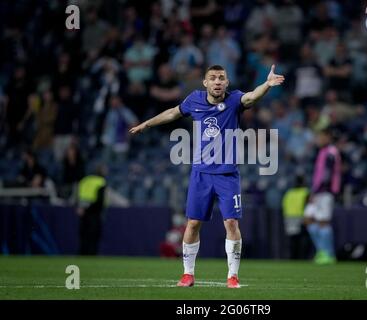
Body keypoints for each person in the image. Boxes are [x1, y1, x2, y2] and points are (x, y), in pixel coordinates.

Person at [129, 64, 284, 288]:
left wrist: (267, 85)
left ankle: (232, 276)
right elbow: (173, 112)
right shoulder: (194, 100)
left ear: (227, 83)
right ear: (206, 83)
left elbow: (251, 98)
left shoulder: (234, 100)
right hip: (201, 174)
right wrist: (147, 123)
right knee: (192, 224)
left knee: (231, 222)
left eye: (221, 77)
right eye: (213, 78)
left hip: (227, 175)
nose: (218, 81)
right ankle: (187, 274)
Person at [303, 129, 341, 264]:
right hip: (318, 191)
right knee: (308, 219)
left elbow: (327, 175)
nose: (318, 140)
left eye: (320, 137)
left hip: (325, 191)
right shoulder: (322, 152)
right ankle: (322, 250)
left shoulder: (331, 152)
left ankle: (329, 255)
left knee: (323, 222)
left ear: (328, 137)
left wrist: (316, 191)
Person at [77, 165, 107, 255]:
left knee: (84, 235)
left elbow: (79, 196)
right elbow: (99, 200)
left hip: (83, 212)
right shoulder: (101, 182)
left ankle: (82, 255)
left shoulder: (85, 180)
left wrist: (81, 208)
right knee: (93, 236)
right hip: (94, 213)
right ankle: (91, 255)